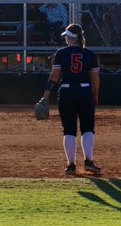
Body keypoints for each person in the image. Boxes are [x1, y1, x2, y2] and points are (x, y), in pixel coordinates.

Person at [37, 23, 101, 176]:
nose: (65, 38)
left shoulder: (61, 53)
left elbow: (54, 76)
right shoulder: (90, 54)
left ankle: (71, 165)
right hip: (84, 91)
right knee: (87, 129)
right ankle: (88, 161)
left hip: (66, 92)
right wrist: (95, 94)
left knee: (69, 130)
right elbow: (95, 78)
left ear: (71, 38)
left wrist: (45, 96)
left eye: (67, 36)